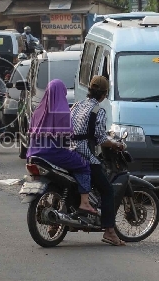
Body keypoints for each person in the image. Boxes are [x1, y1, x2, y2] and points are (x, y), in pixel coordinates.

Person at [70, 75, 126, 247]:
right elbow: (101, 139)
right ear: (103, 94)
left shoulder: (77, 105)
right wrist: (116, 144)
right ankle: (109, 232)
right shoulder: (98, 111)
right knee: (107, 191)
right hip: (85, 153)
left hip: (70, 150)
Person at [26, 79, 95, 216]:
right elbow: (66, 140)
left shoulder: (37, 111)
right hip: (53, 153)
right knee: (84, 165)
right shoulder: (62, 112)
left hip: (33, 154)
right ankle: (85, 202)